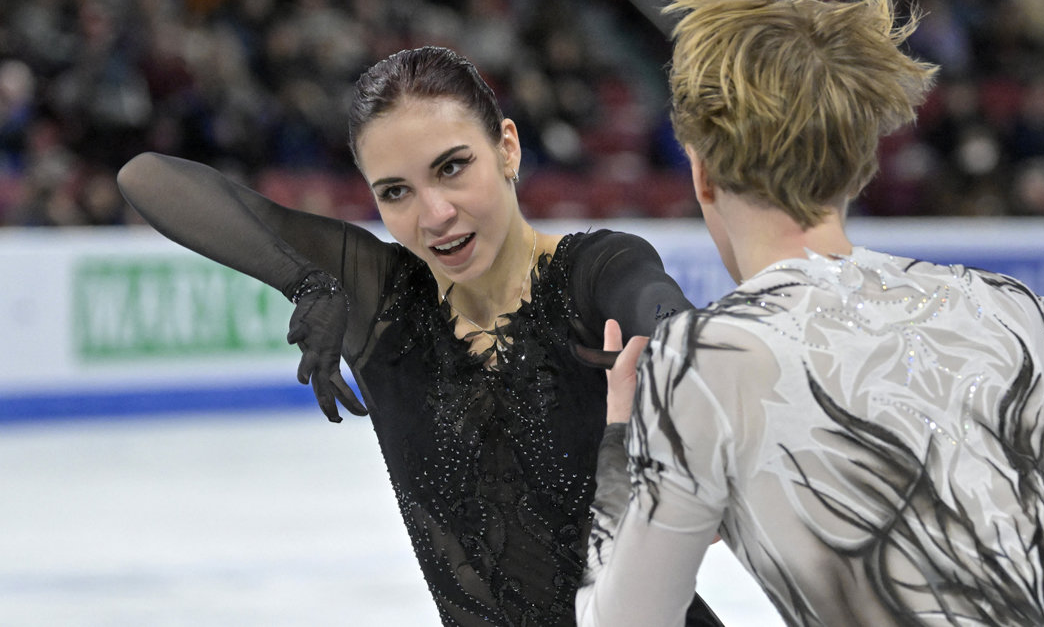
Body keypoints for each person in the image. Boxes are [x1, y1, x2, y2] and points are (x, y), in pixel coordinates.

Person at [577, 0, 1044, 627]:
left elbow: (623, 622)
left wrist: (625, 443)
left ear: (700, 172)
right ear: (858, 165)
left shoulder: (705, 360)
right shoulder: (980, 305)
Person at [118, 46, 722, 626]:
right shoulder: (381, 299)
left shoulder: (594, 274)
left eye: (452, 168)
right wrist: (305, 283)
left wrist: (682, 367)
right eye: (395, 192)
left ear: (507, 148)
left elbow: (670, 321)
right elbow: (147, 176)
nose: (434, 215)